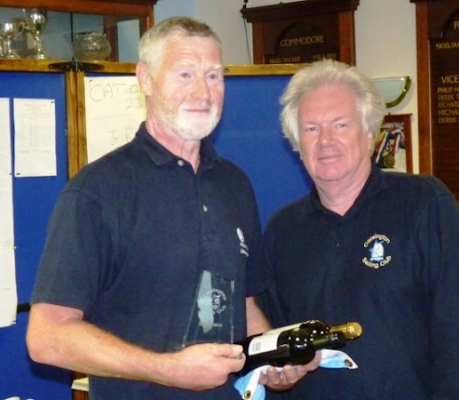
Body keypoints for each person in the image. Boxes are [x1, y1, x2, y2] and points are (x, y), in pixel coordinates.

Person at [26, 17, 319, 400]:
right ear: (145, 79)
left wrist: (270, 361)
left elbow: (242, 303)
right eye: (185, 74)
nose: (203, 92)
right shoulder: (97, 191)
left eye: (213, 76)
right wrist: (167, 369)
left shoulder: (234, 185)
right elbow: (46, 337)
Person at [259, 58, 459, 399]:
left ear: (369, 135)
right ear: (297, 145)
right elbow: (275, 345)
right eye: (311, 129)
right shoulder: (282, 231)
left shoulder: (425, 204)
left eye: (340, 125)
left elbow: (453, 329)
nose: (325, 140)